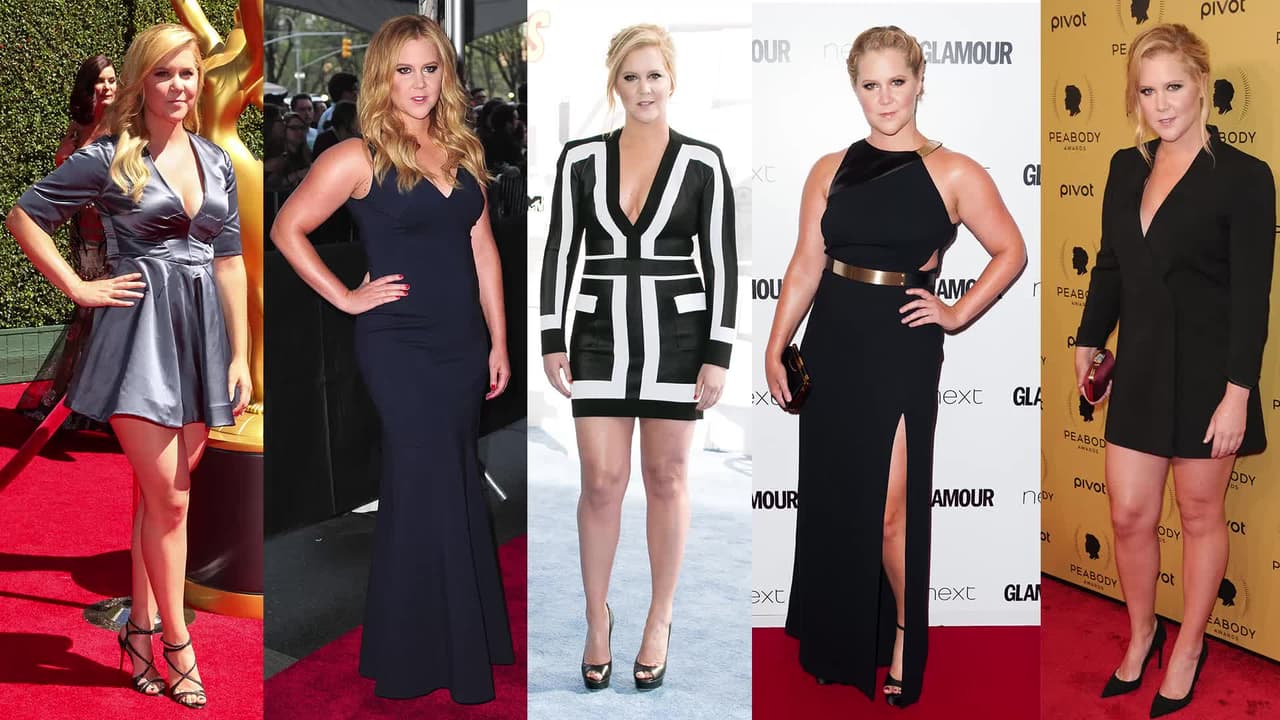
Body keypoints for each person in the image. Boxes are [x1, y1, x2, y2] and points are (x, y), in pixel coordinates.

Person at [763, 25, 1025, 709]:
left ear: (920, 82)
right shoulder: (830, 169)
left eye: (897, 82)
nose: (885, 98)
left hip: (901, 347)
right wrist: (775, 343)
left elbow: (1011, 251)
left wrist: (957, 312)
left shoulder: (955, 171)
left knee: (889, 514)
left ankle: (908, 634)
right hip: (832, 340)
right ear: (855, 88)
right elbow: (806, 263)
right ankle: (840, 640)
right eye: (870, 85)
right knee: (836, 499)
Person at [271, 14, 515, 703]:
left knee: (451, 478)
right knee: (422, 478)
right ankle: (420, 651)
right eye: (405, 69)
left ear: (446, 74)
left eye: (430, 68)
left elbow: (483, 250)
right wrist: (347, 297)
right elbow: (287, 228)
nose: (419, 82)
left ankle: (447, 636)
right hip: (399, 346)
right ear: (383, 74)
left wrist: (498, 340)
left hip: (461, 342)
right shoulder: (359, 155)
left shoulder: (461, 146)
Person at [6, 24, 250, 708]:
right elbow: (25, 217)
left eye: (188, 73)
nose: (178, 86)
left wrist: (240, 354)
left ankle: (139, 630)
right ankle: (179, 642)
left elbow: (230, 261)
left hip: (200, 340)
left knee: (156, 499)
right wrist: (78, 287)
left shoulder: (216, 159)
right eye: (163, 74)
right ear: (141, 83)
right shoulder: (109, 157)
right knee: (172, 499)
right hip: (138, 338)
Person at [1073, 23, 1274, 718]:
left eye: (1174, 87)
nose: (1161, 104)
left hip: (1210, 376)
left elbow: (1252, 298)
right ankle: (1142, 633)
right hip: (1141, 366)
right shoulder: (1124, 167)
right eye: (1147, 90)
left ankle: (1188, 646)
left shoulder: (1245, 177)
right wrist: (1089, 337)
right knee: (1129, 513)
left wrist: (1237, 395)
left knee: (1198, 514)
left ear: (1202, 87)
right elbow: (1109, 263)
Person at [540, 23, 737, 691]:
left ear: (672, 79)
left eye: (654, 75)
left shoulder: (703, 162)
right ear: (614, 84)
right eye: (631, 77)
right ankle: (597, 619)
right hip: (597, 335)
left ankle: (659, 618)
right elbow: (560, 250)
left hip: (678, 342)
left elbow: (721, 261)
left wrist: (717, 352)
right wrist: (552, 335)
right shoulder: (580, 160)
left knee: (667, 478)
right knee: (600, 481)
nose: (644, 88)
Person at [16, 54, 116, 432]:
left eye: (112, 80)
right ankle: (70, 400)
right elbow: (61, 171)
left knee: (102, 318)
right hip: (82, 235)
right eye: (100, 81)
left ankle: (93, 404)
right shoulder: (77, 130)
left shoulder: (126, 128)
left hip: (112, 236)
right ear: (88, 88)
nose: (107, 87)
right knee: (86, 315)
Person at [264, 111, 313, 194]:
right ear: (284, 129)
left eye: (302, 128)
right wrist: (297, 175)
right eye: (293, 128)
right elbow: (270, 184)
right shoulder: (277, 155)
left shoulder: (308, 154)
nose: (299, 132)